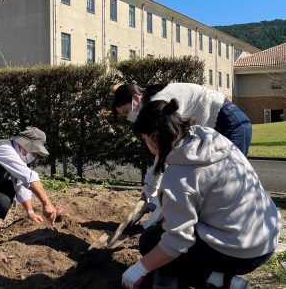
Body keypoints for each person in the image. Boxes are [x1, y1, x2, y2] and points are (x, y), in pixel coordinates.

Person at [121, 99, 282, 289]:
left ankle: (218, 280)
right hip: (267, 235)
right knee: (162, 231)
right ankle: (219, 278)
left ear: (154, 139)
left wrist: (139, 269)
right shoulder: (211, 138)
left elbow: (178, 241)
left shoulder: (180, 174)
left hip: (243, 254)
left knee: (151, 241)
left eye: (145, 140)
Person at [112, 82, 253, 228]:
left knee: (229, 185)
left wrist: (151, 214)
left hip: (229, 123)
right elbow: (162, 157)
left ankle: (237, 233)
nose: (128, 118)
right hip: (224, 123)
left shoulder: (159, 106)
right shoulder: (156, 103)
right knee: (216, 187)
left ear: (136, 98)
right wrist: (147, 193)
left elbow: (163, 155)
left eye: (126, 112)